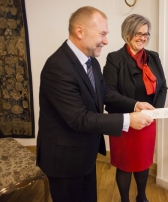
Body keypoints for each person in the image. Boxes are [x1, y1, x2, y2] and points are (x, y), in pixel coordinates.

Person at [37, 7, 154, 202]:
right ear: (80, 31)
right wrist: (128, 120)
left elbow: (105, 92)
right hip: (64, 161)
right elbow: (79, 118)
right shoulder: (58, 67)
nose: (106, 41)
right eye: (102, 34)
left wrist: (135, 104)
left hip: (85, 154)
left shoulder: (91, 61)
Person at [103, 14, 167, 202]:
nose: (143, 37)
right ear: (128, 33)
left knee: (143, 162)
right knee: (124, 165)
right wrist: (135, 106)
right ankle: (124, 199)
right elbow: (108, 93)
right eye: (138, 33)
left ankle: (142, 197)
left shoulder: (153, 57)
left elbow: (163, 86)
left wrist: (155, 112)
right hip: (124, 121)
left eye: (146, 34)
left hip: (148, 120)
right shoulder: (115, 58)